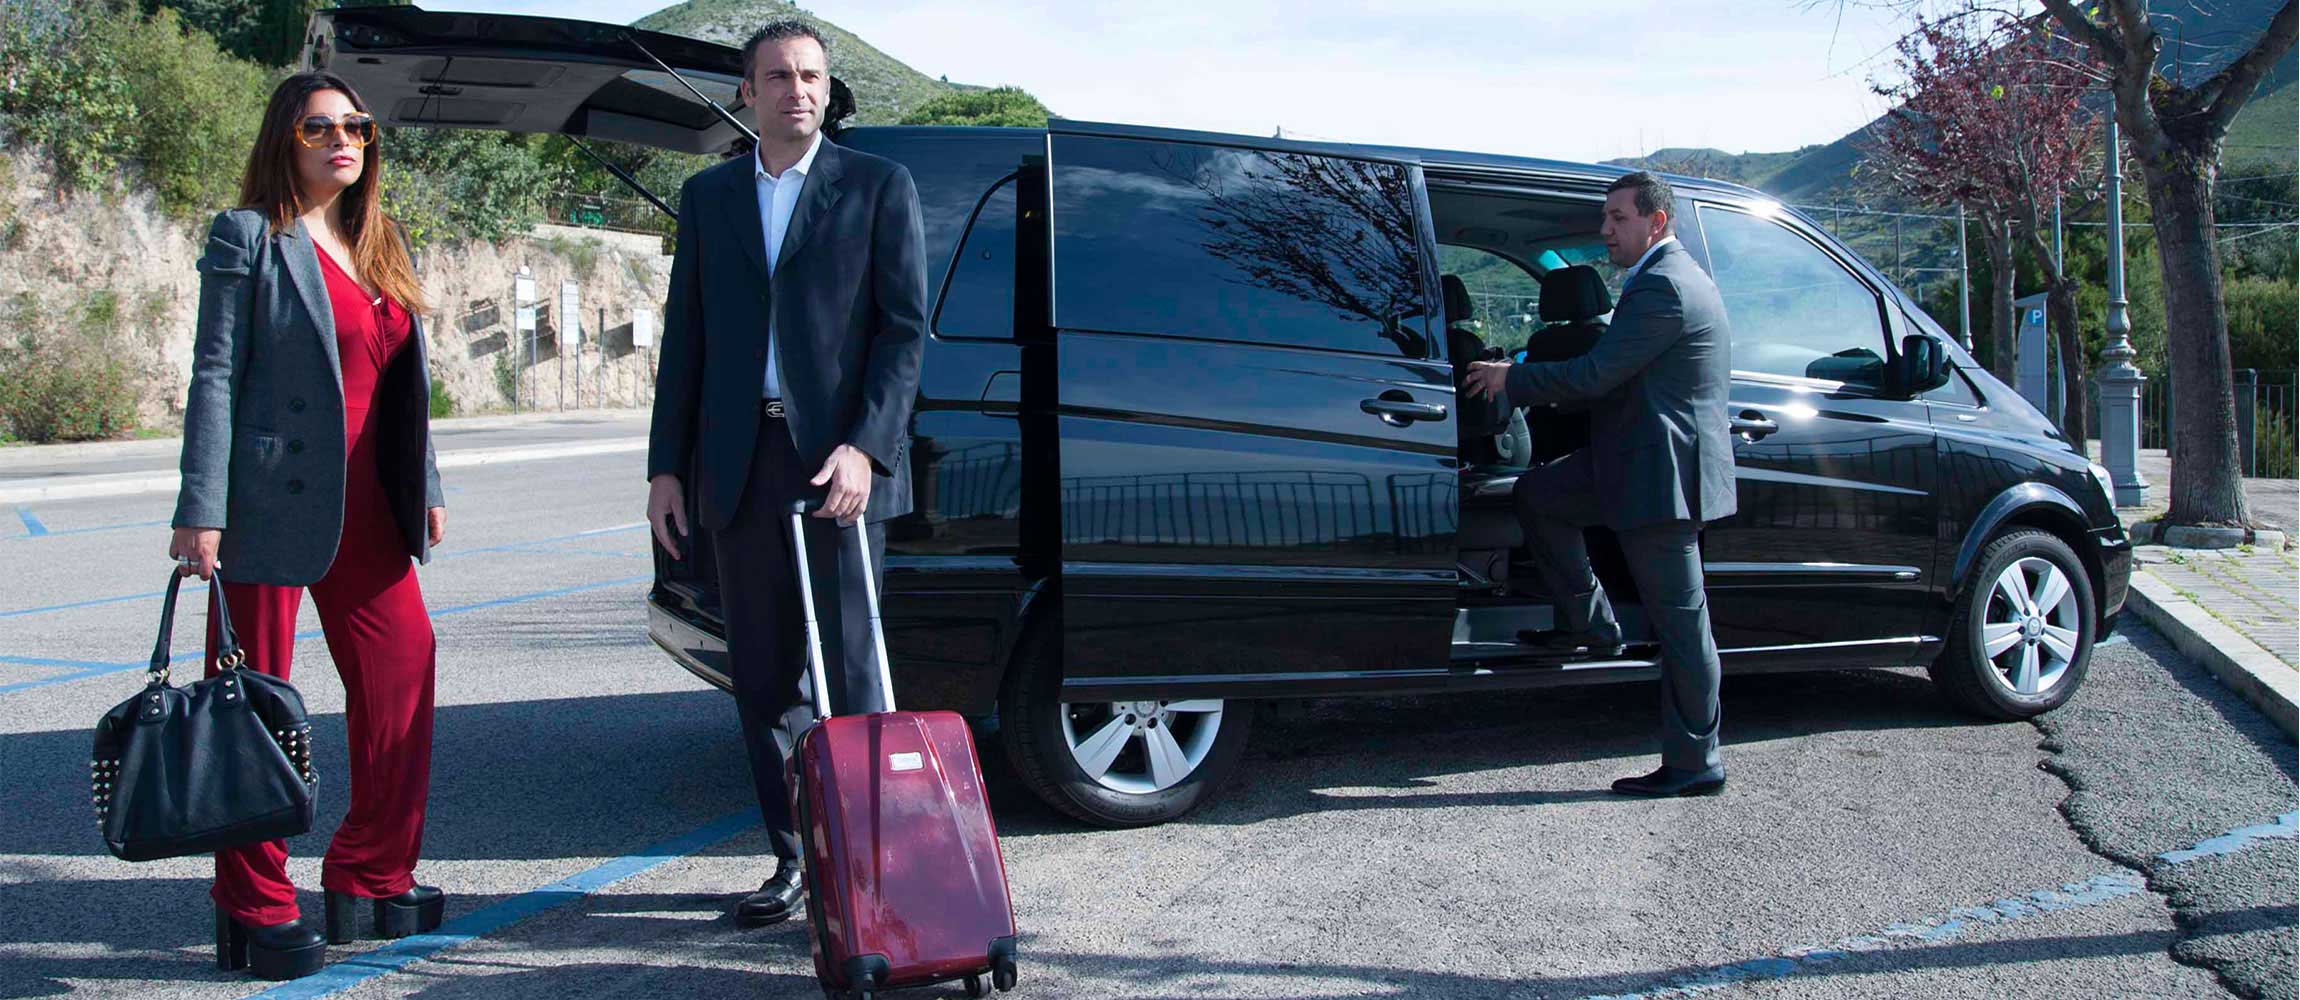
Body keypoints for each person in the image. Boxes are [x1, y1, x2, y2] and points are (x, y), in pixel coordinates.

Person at [644, 19, 927, 926]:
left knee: (849, 676)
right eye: (777, 76)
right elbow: (684, 343)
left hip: (836, 469)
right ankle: (793, 860)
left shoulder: (879, 186)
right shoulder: (710, 197)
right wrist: (665, 470)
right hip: (736, 466)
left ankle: (873, 867)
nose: (795, 89)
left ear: (827, 88)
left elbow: (903, 332)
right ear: (748, 91)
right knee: (762, 678)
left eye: (809, 75)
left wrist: (866, 447)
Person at [169, 71, 448, 980]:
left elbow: (406, 388)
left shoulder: (380, 241)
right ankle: (250, 902)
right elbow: (216, 374)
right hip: (266, 503)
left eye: (356, 127)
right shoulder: (249, 236)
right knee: (253, 706)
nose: (343, 140)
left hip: (372, 504)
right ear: (283, 141)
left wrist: (428, 483)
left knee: (404, 666)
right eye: (319, 128)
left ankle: (371, 870)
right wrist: (201, 508)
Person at [1463, 171, 1735, 798]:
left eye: (1618, 219)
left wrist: (1513, 379)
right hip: (1628, 459)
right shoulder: (1661, 280)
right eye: (1606, 218)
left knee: (1682, 625)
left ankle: (1696, 763)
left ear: (1655, 222)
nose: (1605, 230)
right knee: (1537, 495)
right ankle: (1592, 625)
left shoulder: (1666, 286)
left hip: (1660, 474)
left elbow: (1596, 376)